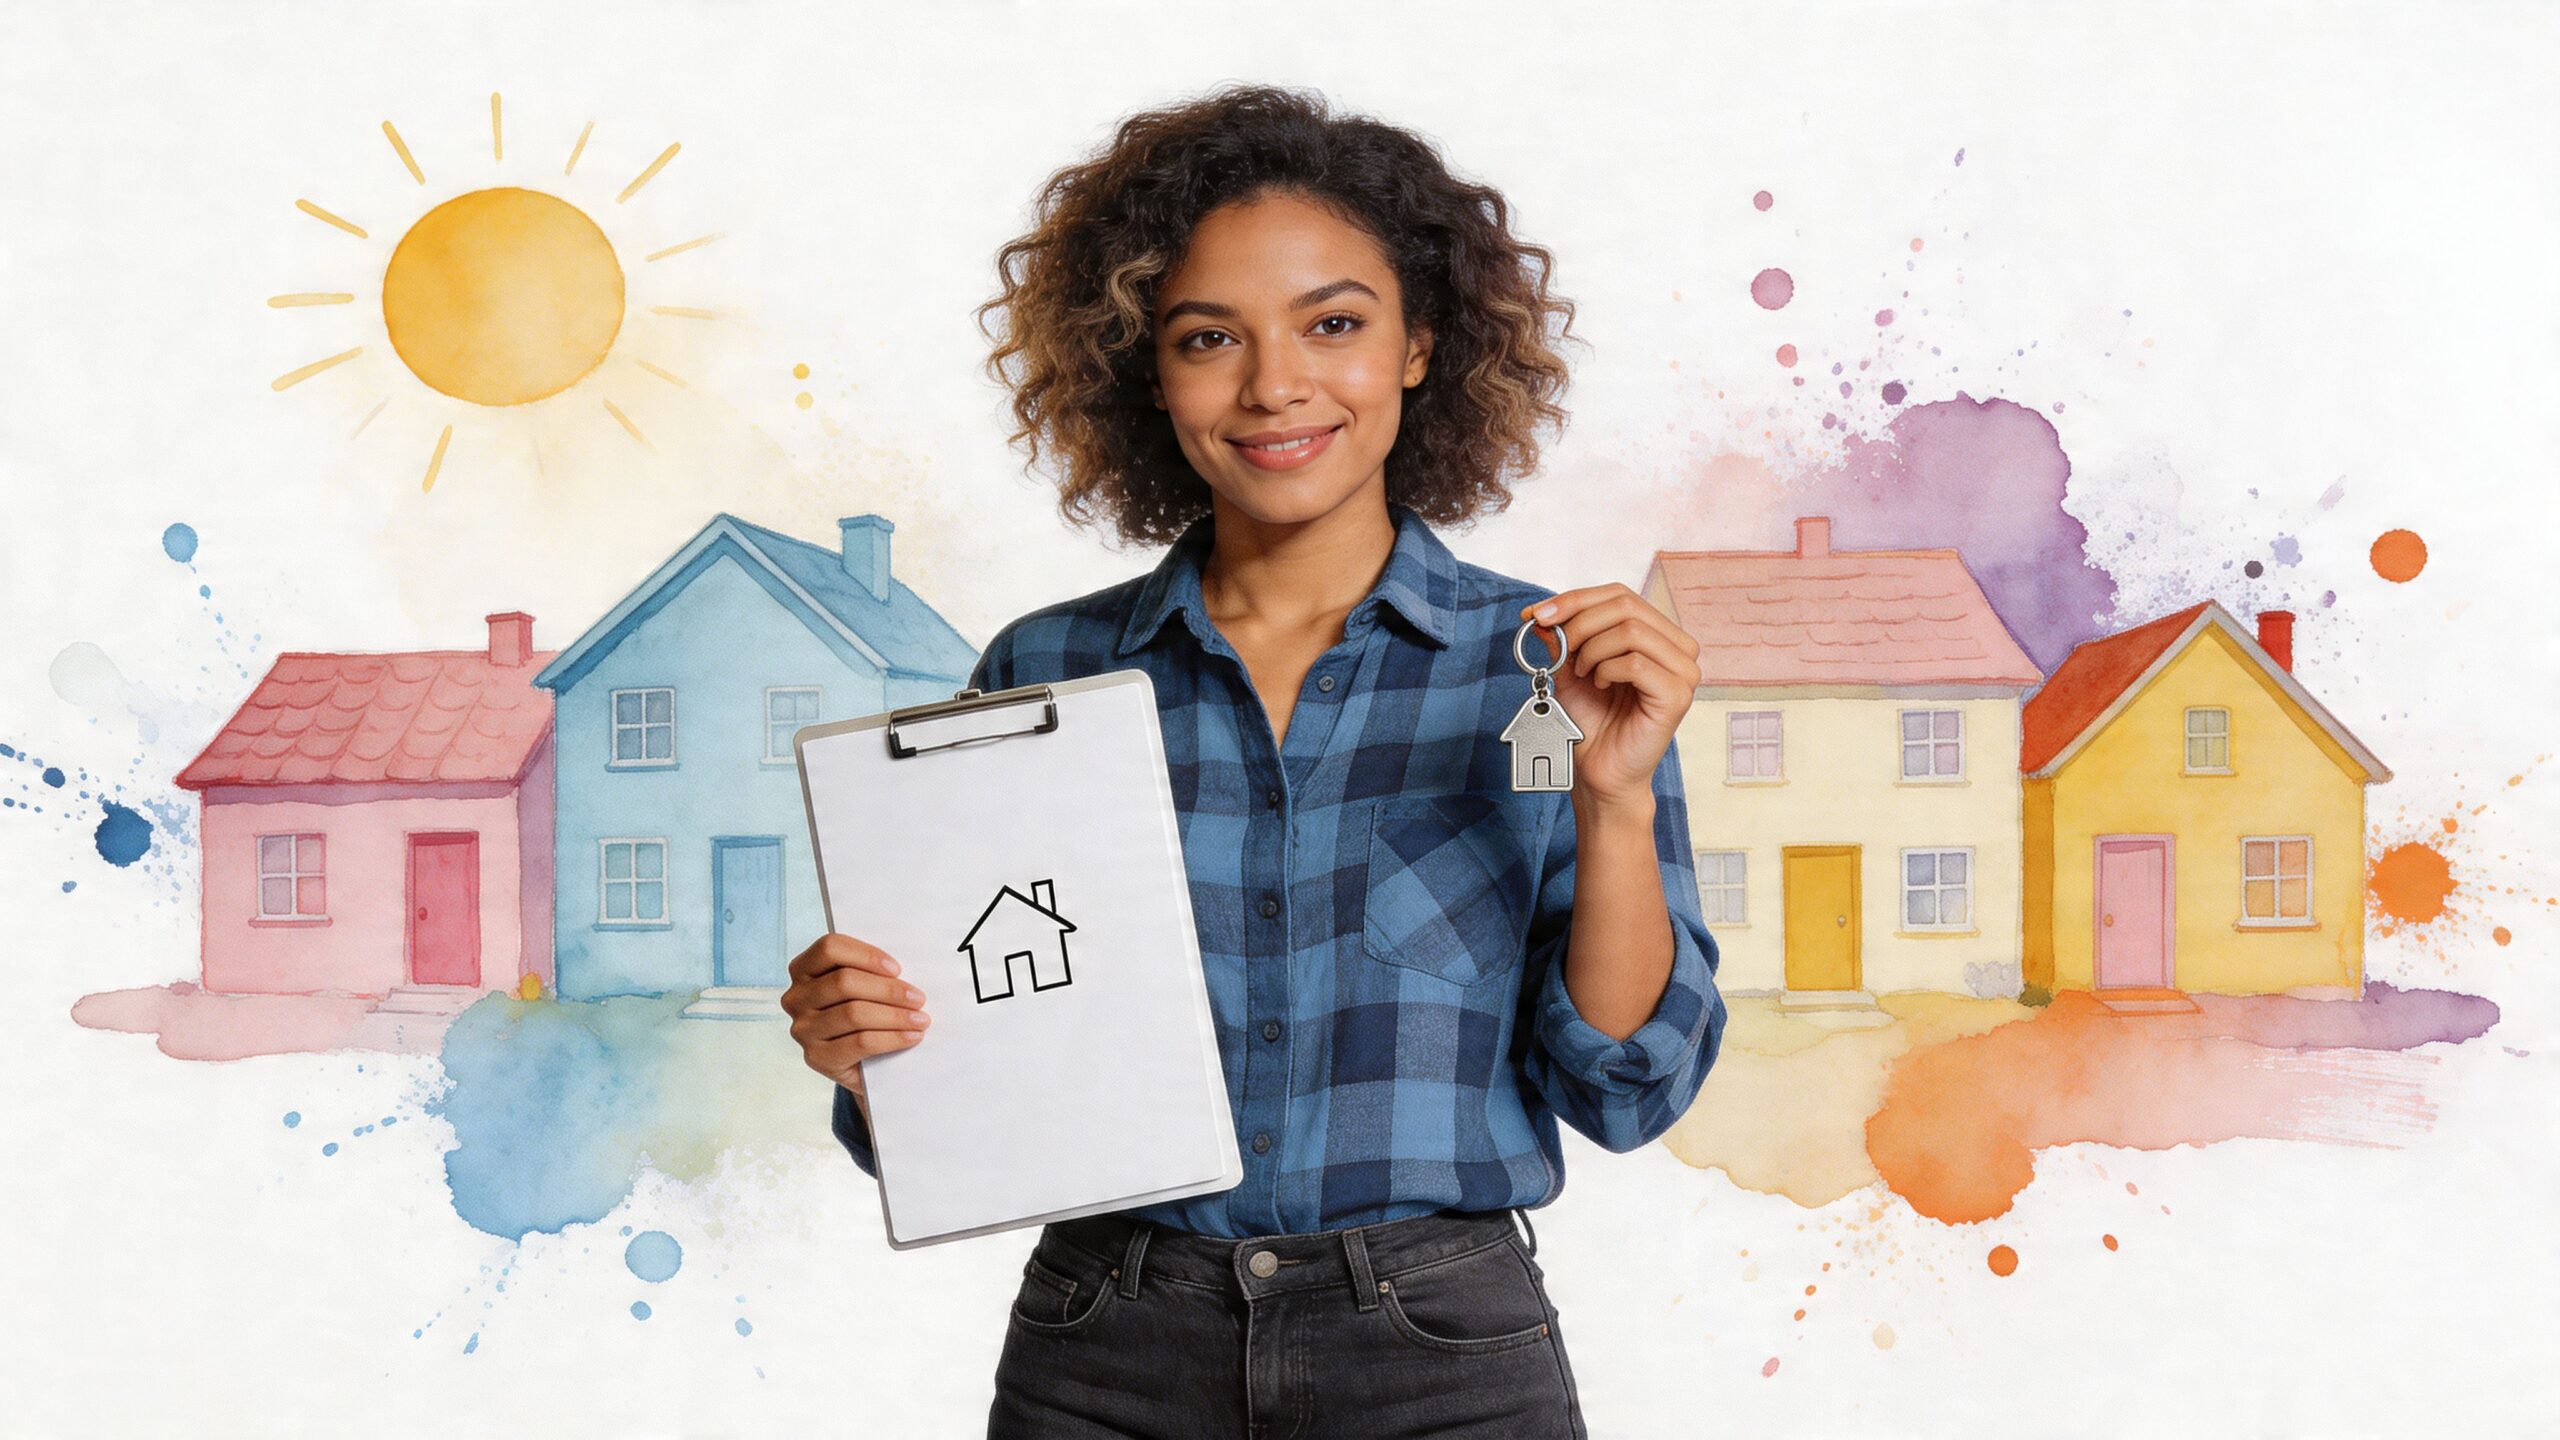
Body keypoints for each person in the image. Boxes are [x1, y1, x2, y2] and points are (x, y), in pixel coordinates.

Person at [779, 82, 1726, 1439]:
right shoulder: (1044, 677)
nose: (1275, 384)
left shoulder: (1550, 667)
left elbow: (1628, 1088)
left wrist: (1617, 798)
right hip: (1105, 1348)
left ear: (1420, 345)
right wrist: (869, 1053)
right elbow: (977, 1084)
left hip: (1439, 1352)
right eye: (1209, 338)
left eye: (1333, 324)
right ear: (1146, 374)